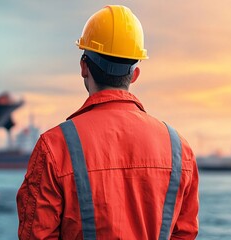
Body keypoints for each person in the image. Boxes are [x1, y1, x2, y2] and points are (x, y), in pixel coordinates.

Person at [17, 5, 199, 240]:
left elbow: (35, 234)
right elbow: (184, 233)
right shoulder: (179, 150)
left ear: (84, 67)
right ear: (134, 75)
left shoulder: (55, 147)